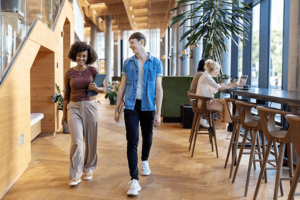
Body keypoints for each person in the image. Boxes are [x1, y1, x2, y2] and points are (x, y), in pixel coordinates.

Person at [114, 32, 163, 196]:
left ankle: (144, 161)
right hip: (131, 105)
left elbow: (159, 89)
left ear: (142, 42)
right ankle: (134, 180)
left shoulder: (156, 63)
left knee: (148, 137)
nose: (130, 46)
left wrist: (158, 112)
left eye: (133, 43)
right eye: (129, 43)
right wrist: (117, 107)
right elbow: (122, 86)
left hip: (149, 106)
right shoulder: (127, 63)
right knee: (132, 139)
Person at [62, 41, 104, 186]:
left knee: (91, 140)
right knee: (77, 141)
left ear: (88, 57)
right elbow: (66, 94)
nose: (81, 58)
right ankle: (75, 173)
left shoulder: (93, 71)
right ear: (75, 55)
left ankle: (89, 168)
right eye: (79, 55)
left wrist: (96, 88)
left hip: (91, 107)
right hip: (73, 107)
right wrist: (63, 115)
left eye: (84, 56)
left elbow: (105, 89)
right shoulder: (69, 72)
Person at [196, 59, 237, 129]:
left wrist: (227, 86)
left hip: (205, 101)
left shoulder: (205, 76)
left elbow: (214, 89)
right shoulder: (207, 77)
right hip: (205, 103)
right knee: (224, 107)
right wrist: (232, 86)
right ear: (214, 70)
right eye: (217, 71)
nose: (217, 74)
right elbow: (219, 88)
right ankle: (216, 127)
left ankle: (227, 123)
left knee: (227, 102)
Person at [190, 59, 209, 128]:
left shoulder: (199, 73)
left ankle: (204, 119)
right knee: (213, 102)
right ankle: (203, 119)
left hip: (195, 99)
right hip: (197, 101)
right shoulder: (202, 75)